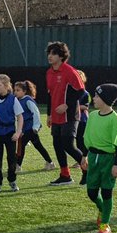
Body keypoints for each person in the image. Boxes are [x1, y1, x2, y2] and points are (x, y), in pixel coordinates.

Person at [83, 84, 117, 233]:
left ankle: (105, 223)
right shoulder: (92, 116)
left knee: (107, 191)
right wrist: (84, 155)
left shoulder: (115, 119)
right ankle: (102, 208)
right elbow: (87, 137)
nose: (93, 98)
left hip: (108, 159)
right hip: (93, 157)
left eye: (97, 96)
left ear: (105, 99)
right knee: (91, 192)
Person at [45, 41, 87, 186]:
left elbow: (81, 91)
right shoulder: (49, 72)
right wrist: (49, 114)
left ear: (61, 56)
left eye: (54, 53)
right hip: (56, 116)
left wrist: (67, 104)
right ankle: (65, 175)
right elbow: (50, 95)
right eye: (49, 53)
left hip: (70, 115)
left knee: (68, 145)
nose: (50, 56)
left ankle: (87, 170)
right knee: (57, 144)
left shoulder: (69, 71)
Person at [13, 80, 54, 172]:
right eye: (15, 90)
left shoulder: (28, 100)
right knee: (38, 146)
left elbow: (36, 113)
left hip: (30, 128)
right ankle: (50, 162)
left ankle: (17, 166)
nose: (15, 92)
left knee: (21, 145)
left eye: (18, 90)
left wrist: (35, 127)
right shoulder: (18, 101)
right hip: (25, 129)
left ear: (24, 91)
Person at [74, 70, 91, 184]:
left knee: (81, 142)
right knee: (76, 142)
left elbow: (85, 107)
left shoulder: (85, 93)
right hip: (74, 120)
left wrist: (74, 106)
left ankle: (85, 161)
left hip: (83, 121)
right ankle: (80, 160)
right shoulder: (73, 92)